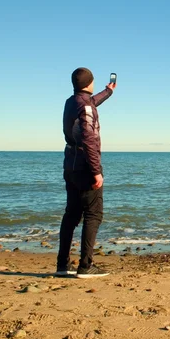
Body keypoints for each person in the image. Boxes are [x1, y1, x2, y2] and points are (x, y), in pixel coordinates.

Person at [56, 67, 116, 278]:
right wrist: (96, 171)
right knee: (93, 214)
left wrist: (108, 92)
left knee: (71, 215)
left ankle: (62, 265)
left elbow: (89, 104)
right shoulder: (86, 107)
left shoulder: (71, 102)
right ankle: (85, 266)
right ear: (89, 83)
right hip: (85, 167)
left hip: (70, 166)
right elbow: (89, 140)